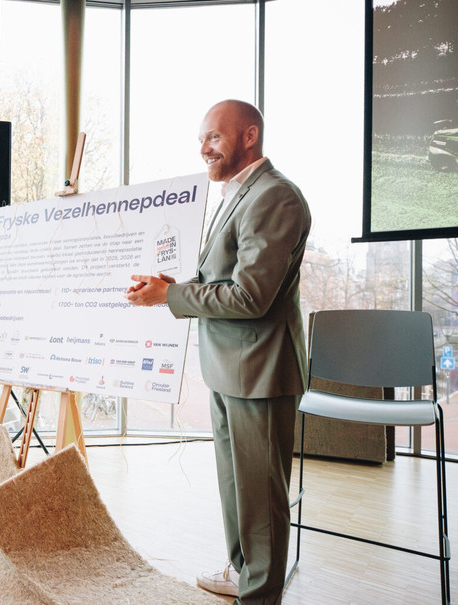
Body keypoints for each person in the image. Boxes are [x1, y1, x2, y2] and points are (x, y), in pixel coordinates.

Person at [126, 99, 311, 605]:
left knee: (261, 499)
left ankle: (260, 595)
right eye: (201, 139)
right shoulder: (238, 194)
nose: (204, 148)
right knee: (237, 489)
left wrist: (170, 297)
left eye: (213, 137)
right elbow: (221, 279)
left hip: (260, 371)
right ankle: (243, 573)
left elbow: (250, 297)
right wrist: (172, 287)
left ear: (249, 136)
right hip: (229, 368)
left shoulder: (275, 196)